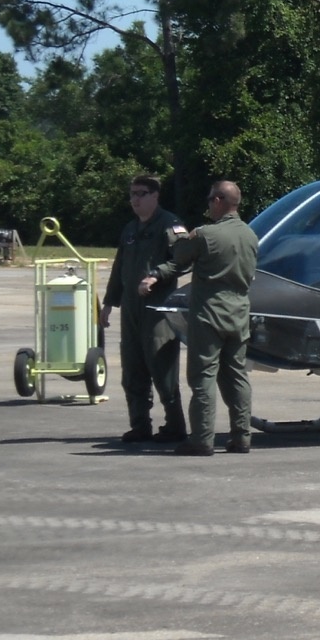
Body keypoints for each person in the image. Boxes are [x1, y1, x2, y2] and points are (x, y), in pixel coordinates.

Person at [141, 180, 258, 456]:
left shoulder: (206, 235)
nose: (208, 205)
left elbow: (180, 255)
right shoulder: (250, 235)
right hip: (239, 313)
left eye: (209, 200)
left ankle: (202, 438)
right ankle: (242, 436)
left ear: (219, 200)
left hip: (209, 315)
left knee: (203, 375)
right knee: (237, 376)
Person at [102, 174, 186, 443]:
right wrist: (108, 304)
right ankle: (139, 425)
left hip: (158, 308)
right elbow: (119, 269)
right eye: (132, 194)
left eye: (140, 194)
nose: (135, 199)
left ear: (154, 196)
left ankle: (175, 425)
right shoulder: (129, 230)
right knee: (132, 368)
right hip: (131, 309)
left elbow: (183, 260)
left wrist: (157, 275)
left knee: (162, 369)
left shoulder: (170, 225)